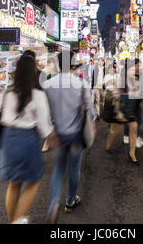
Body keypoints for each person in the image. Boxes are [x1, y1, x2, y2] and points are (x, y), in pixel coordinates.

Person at [0, 55, 56, 224]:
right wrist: (51, 136)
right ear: (33, 72)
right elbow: (44, 126)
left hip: (8, 139)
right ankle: (18, 220)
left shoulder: (8, 92)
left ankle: (12, 220)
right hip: (27, 139)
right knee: (34, 181)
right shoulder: (37, 94)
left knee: (14, 183)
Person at [44, 51, 97, 224]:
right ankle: (69, 201)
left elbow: (45, 112)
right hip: (75, 135)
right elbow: (92, 112)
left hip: (58, 134)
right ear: (74, 66)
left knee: (59, 168)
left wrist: (50, 131)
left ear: (58, 65)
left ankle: (53, 204)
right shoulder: (80, 83)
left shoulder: (48, 84)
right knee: (74, 168)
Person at [105, 59, 141, 165]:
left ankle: (132, 154)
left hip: (131, 109)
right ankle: (108, 145)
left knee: (133, 130)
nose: (133, 71)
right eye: (131, 69)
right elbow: (115, 95)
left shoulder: (136, 80)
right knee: (114, 131)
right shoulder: (120, 80)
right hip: (120, 109)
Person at [123, 58, 143, 148]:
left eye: (140, 65)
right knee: (128, 119)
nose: (139, 67)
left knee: (140, 120)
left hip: (140, 100)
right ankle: (126, 135)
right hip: (130, 99)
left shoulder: (142, 75)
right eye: (137, 65)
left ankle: (138, 138)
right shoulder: (128, 74)